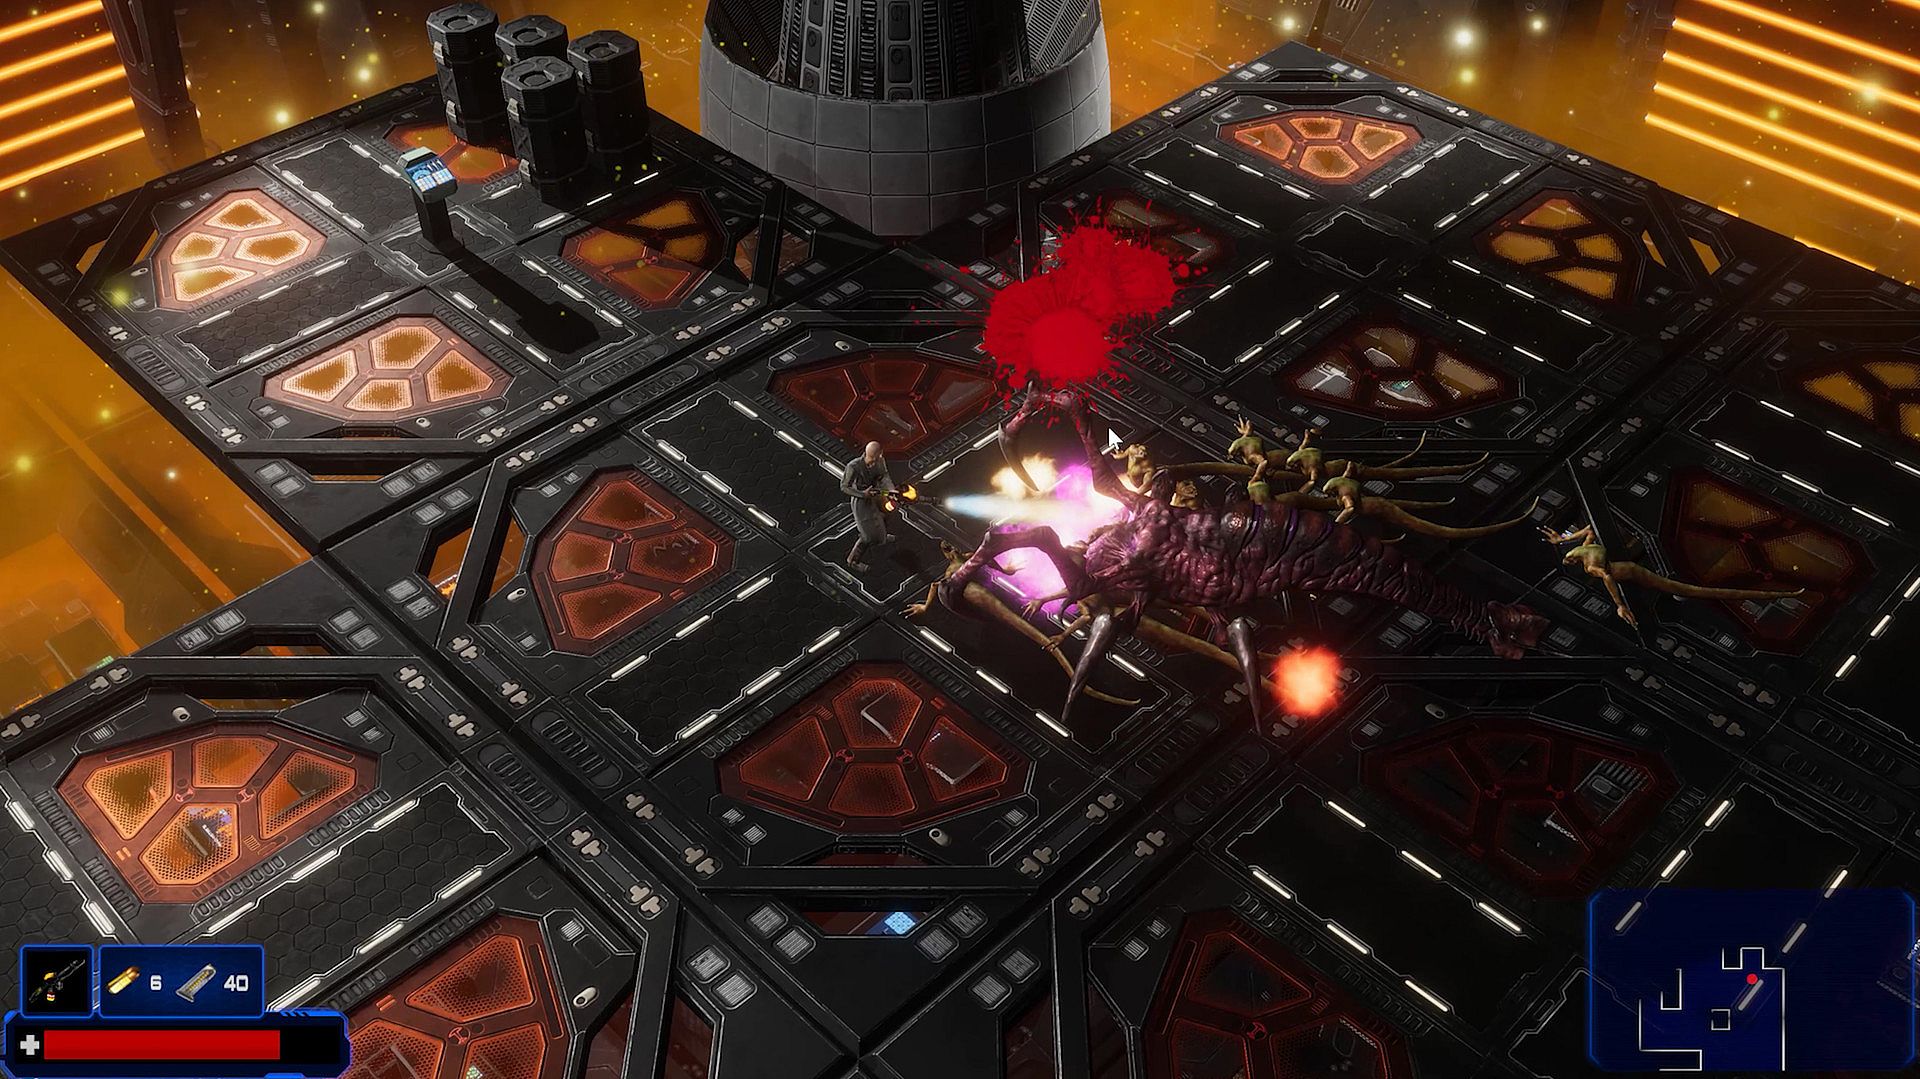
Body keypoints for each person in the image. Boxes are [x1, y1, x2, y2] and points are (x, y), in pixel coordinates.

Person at [841, 440, 896, 571]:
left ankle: (882, 535)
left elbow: (884, 476)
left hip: (878, 494)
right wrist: (862, 494)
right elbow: (844, 487)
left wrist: (891, 490)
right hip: (861, 500)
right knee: (867, 535)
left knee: (889, 511)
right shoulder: (854, 466)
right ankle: (853, 561)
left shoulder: (880, 461)